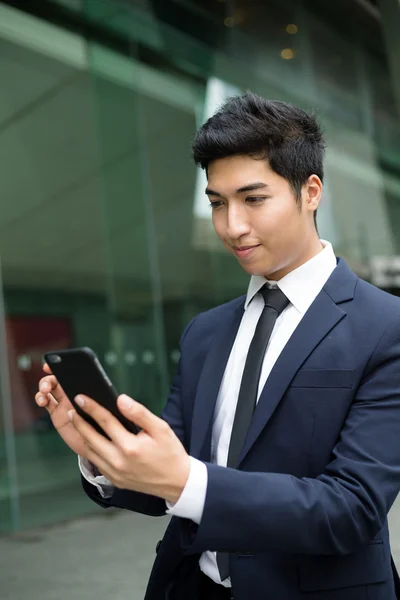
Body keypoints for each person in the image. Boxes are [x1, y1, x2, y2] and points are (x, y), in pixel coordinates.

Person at [35, 92, 400, 600]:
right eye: (217, 203)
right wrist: (104, 457)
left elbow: (352, 509)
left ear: (311, 191)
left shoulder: (386, 326)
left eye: (253, 199)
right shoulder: (206, 331)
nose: (232, 226)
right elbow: (171, 477)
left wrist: (186, 478)